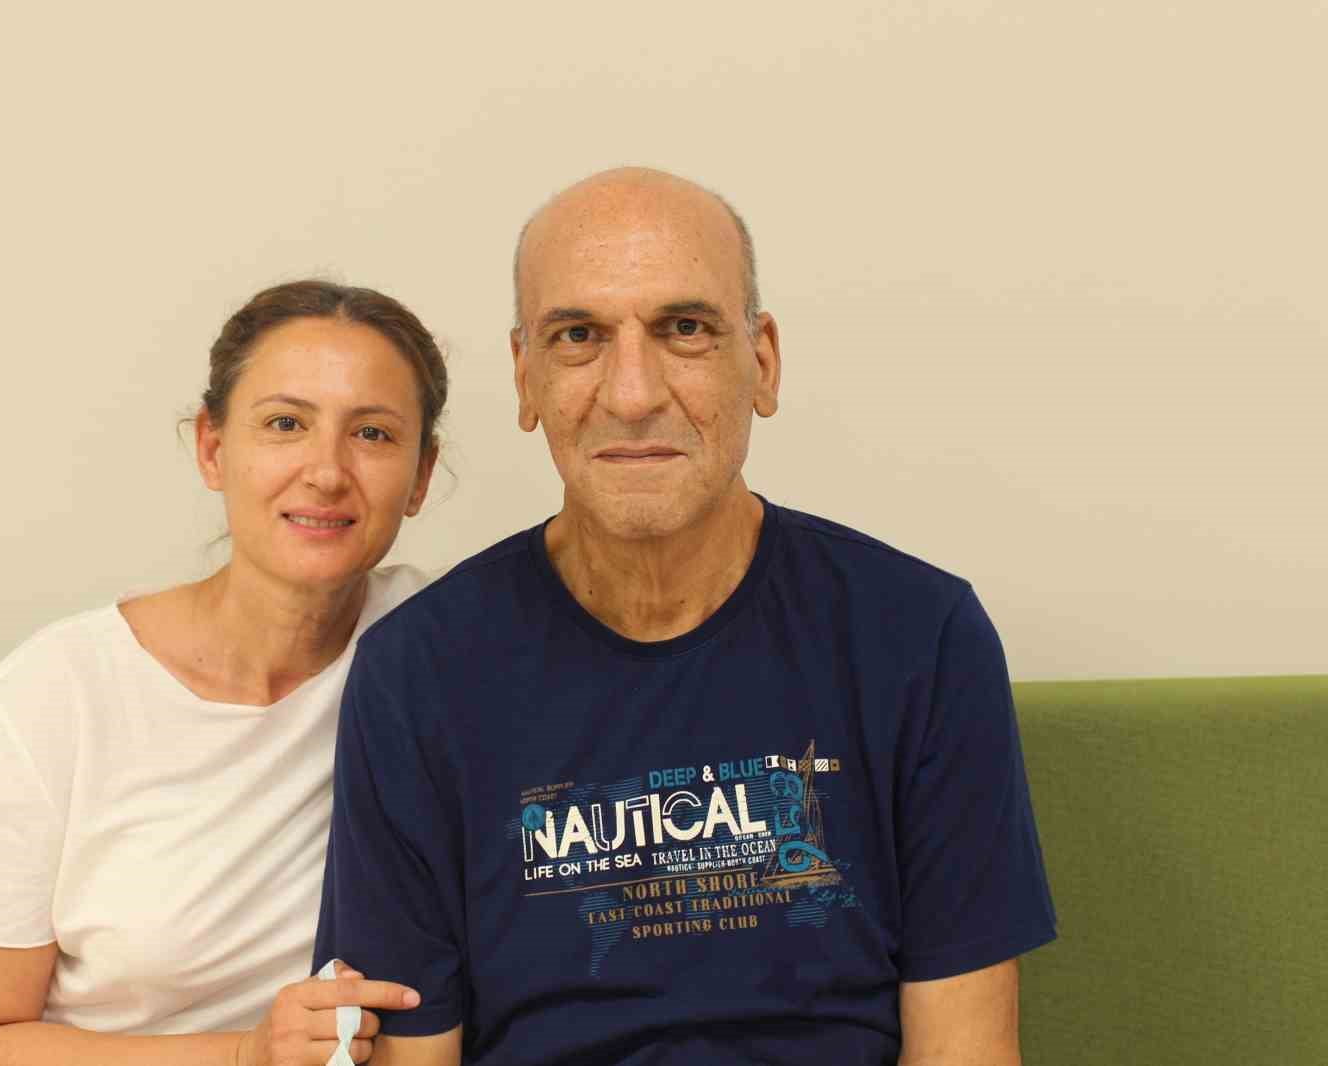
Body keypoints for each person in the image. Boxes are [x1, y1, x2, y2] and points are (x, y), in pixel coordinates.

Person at [312, 168, 1057, 1065]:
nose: (633, 394)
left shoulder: (919, 636)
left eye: (686, 329)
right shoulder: (416, 673)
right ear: (525, 378)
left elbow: (964, 1051)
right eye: (579, 336)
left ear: (763, 362)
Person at [0, 280, 446, 1066]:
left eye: (372, 434)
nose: (327, 472)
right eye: (285, 424)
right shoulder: (53, 694)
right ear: (212, 448)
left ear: (421, 476)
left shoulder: (443, 651)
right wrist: (245, 1056)